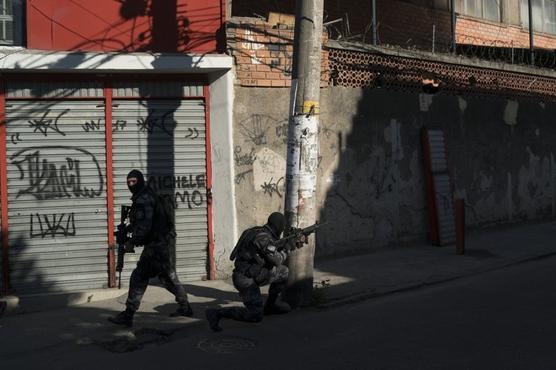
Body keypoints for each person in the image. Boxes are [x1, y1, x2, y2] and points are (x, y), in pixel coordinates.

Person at [108, 169, 193, 327]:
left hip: (155, 246)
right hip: (161, 243)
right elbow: (143, 222)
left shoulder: (143, 199)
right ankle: (185, 306)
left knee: (139, 277)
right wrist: (126, 229)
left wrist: (131, 242)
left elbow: (144, 228)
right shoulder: (147, 195)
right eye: (129, 182)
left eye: (133, 181)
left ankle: (128, 315)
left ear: (140, 181)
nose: (131, 184)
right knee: (167, 277)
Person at [205, 212, 305, 332]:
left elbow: (271, 250)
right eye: (282, 227)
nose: (282, 230)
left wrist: (290, 244)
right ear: (277, 226)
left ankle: (270, 306)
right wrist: (288, 248)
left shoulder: (259, 232)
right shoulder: (262, 238)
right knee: (256, 315)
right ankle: (217, 313)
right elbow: (277, 260)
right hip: (245, 279)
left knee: (283, 272)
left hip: (257, 274)